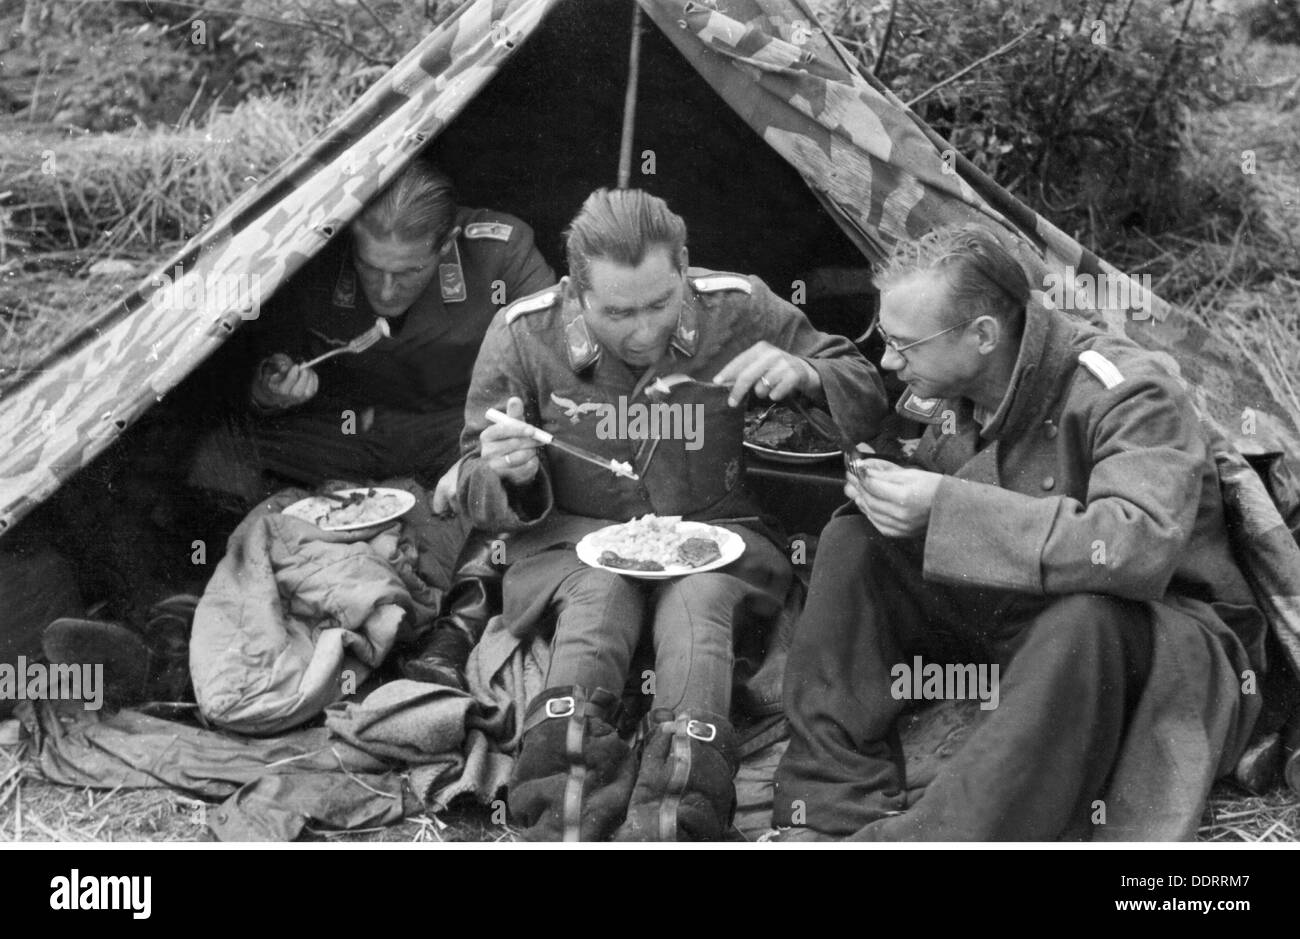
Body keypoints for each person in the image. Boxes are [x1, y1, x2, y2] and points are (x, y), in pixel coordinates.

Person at [771, 224, 1267, 840]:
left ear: (983, 335)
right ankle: (826, 801)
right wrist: (892, 488)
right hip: (1022, 610)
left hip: (1152, 630)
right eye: (885, 340)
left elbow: (1137, 548)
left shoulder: (1126, 390)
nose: (890, 361)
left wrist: (946, 507)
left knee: (1083, 619)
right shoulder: (959, 384)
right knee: (854, 541)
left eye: (905, 344)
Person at [454, 188, 885, 841]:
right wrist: (505, 471)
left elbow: (864, 385)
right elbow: (469, 475)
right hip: (571, 544)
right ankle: (557, 810)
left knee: (699, 603)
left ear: (684, 265)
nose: (644, 329)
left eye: (661, 302)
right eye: (617, 311)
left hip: (720, 535)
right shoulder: (523, 333)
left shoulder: (737, 305)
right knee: (597, 606)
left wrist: (804, 372)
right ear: (575, 291)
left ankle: (681, 814)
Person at [188, 162, 556, 685]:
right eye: (370, 268)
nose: (384, 290)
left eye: (406, 273)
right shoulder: (311, 250)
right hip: (339, 431)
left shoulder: (501, 251)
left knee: (512, 477)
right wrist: (268, 393)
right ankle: (189, 618)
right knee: (213, 461)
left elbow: (551, 361)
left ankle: (452, 633)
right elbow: (247, 354)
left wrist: (480, 456)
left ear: (446, 243)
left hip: (448, 432)